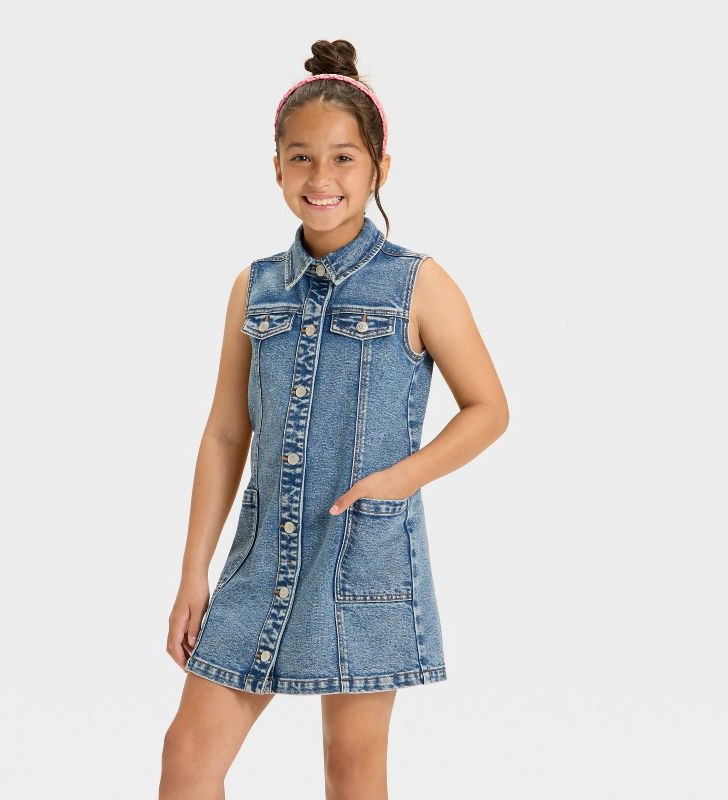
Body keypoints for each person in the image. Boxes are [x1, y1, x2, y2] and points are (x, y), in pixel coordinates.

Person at [159, 38, 509, 800]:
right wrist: (193, 571)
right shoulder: (254, 289)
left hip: (364, 558)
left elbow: (489, 408)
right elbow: (226, 433)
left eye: (343, 159)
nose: (321, 179)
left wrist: (398, 480)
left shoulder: (418, 283)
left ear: (379, 167)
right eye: (302, 159)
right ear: (277, 168)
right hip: (260, 559)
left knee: (351, 773)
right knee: (188, 756)